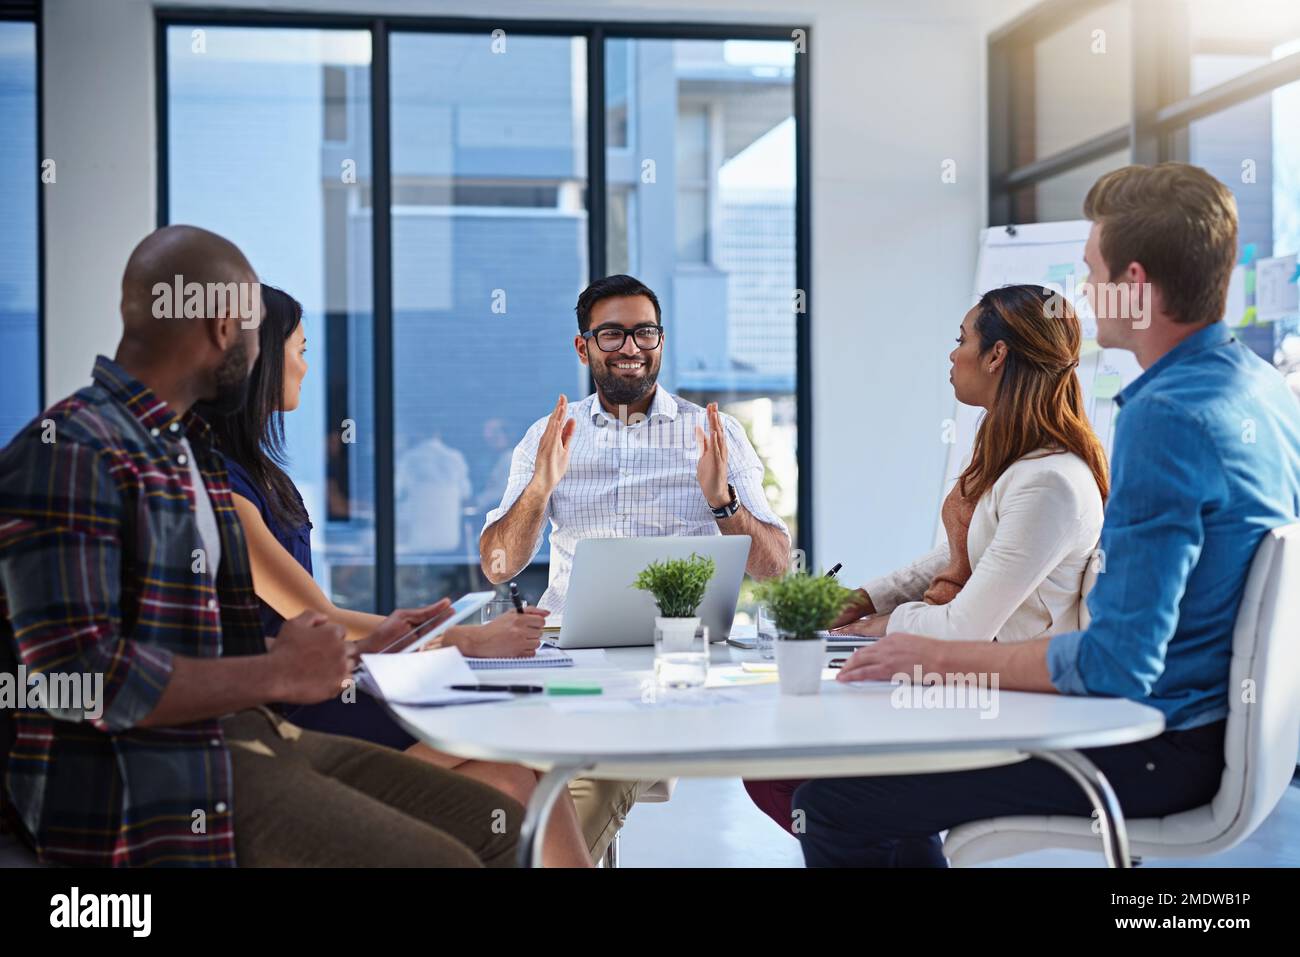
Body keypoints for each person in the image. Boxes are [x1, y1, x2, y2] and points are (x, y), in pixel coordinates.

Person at [793, 162, 1300, 867]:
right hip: (1215, 733)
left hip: (1158, 746)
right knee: (873, 775)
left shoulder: (1167, 415)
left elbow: (1116, 663)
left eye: (1092, 274)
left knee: (835, 802)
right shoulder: (1260, 388)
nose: (1083, 296)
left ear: (1134, 284)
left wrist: (934, 653)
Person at [0, 225, 522, 867]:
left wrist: (355, 651)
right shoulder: (72, 452)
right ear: (224, 327)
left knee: (498, 822)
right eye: (255, 329)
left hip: (247, 736)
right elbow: (75, 679)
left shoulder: (183, 451)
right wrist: (277, 671)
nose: (263, 349)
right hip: (154, 777)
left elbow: (200, 651)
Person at [203, 284, 592, 867]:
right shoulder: (224, 489)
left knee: (515, 778)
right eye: (301, 349)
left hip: (320, 690)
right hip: (290, 711)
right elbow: (321, 618)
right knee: (516, 766)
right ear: (258, 363)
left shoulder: (262, 476)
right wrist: (467, 640)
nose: (308, 367)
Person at [745, 283, 1108, 834]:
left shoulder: (1050, 482)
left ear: (997, 355)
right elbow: (962, 550)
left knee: (789, 773)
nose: (951, 353)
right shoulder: (1014, 457)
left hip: (1003, 707)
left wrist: (881, 626)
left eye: (961, 339)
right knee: (776, 763)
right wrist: (866, 599)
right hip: (966, 687)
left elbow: (964, 628)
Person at [479, 273, 793, 859]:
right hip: (568, 659)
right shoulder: (547, 438)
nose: (631, 348)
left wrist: (721, 501)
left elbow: (776, 566)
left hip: (671, 661)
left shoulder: (713, 432)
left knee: (592, 769)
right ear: (584, 347)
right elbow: (499, 564)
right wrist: (540, 488)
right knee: (534, 779)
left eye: (644, 332)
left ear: (661, 340)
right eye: (613, 334)